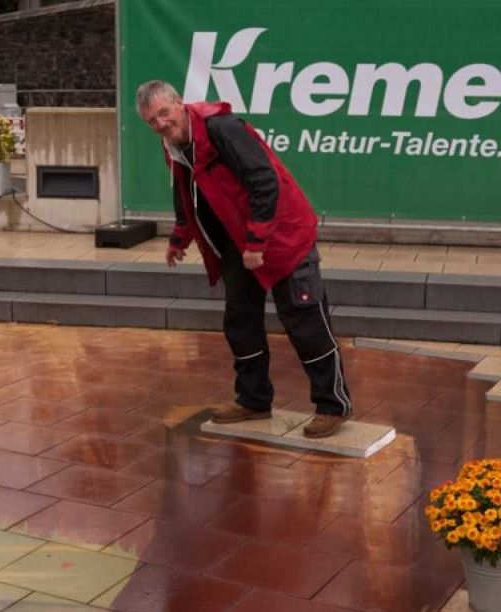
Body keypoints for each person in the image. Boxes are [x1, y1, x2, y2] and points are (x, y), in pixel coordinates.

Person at [136, 80, 353, 439]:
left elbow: (264, 180)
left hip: (281, 236)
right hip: (238, 245)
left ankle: (333, 405)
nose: (160, 124)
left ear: (179, 103)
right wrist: (180, 236)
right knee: (240, 320)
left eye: (164, 113)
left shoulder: (221, 128)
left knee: (305, 319)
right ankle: (253, 399)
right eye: (151, 121)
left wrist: (257, 241)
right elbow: (183, 190)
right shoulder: (173, 145)